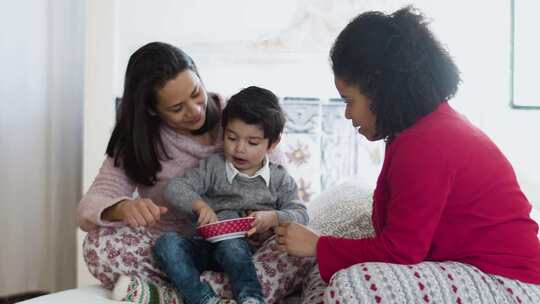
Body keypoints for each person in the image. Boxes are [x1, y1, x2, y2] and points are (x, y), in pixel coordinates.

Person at [276, 6, 540, 303]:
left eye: (350, 100)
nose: (348, 114)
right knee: (332, 266)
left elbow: (401, 251)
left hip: (506, 282)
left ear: (380, 89)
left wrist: (318, 245)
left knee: (354, 281)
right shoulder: (414, 133)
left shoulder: (427, 144)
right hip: (477, 268)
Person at [78, 42, 312, 304]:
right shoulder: (138, 141)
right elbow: (91, 205)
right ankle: (222, 292)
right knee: (98, 245)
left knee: (302, 250)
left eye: (195, 93)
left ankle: (176, 296)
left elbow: (286, 197)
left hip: (248, 249)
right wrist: (122, 208)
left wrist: (271, 221)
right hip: (179, 252)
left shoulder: (242, 116)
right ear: (152, 109)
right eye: (177, 108)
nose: (194, 110)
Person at [117, 86, 308, 304]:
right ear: (223, 131)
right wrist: (200, 206)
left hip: (258, 257)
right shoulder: (213, 167)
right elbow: (175, 188)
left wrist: (274, 217)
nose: (239, 149)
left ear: (272, 144)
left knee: (300, 254)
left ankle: (250, 298)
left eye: (252, 142)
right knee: (166, 244)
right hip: (211, 247)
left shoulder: (279, 179)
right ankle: (205, 299)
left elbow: (301, 213)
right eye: (231, 137)